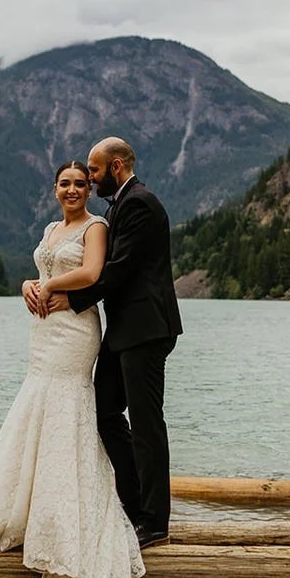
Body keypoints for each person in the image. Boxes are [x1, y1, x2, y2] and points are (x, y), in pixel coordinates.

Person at [0, 159, 144, 578]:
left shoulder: (96, 227)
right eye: (64, 183)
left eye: (80, 184)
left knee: (68, 408)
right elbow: (42, 270)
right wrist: (28, 284)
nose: (72, 190)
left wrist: (47, 284)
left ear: (90, 189)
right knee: (36, 403)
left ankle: (70, 520)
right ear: (55, 189)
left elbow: (90, 274)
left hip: (75, 332)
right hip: (43, 332)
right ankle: (27, 508)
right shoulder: (50, 228)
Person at [36, 137, 182, 549]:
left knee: (148, 424)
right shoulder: (122, 204)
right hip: (123, 331)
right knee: (105, 411)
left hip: (146, 329)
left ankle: (155, 522)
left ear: (115, 167)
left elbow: (115, 271)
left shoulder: (139, 203)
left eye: (94, 172)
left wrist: (72, 298)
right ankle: (134, 504)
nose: (90, 178)